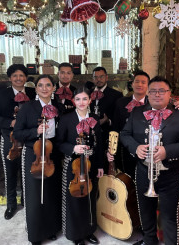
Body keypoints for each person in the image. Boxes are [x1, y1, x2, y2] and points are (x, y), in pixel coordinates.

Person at [120, 76, 179, 245]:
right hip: (143, 172)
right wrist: (136, 147)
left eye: (162, 91)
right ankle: (150, 241)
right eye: (153, 91)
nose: (157, 94)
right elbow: (124, 135)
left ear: (170, 94)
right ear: (148, 93)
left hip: (171, 175)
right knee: (146, 214)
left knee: (169, 216)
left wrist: (167, 151)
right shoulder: (136, 112)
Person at [13, 74, 63, 245]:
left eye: (48, 85)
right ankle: (35, 233)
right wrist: (35, 131)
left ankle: (51, 229)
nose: (44, 88)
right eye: (40, 85)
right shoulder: (27, 108)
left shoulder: (58, 107)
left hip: (53, 154)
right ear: (35, 89)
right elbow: (18, 133)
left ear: (53, 88)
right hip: (33, 155)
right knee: (35, 195)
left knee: (51, 193)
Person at [109, 71, 179, 179]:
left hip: (149, 153)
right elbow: (115, 128)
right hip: (126, 150)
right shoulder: (120, 102)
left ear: (148, 87)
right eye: (137, 82)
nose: (139, 85)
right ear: (132, 84)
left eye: (143, 82)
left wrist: (177, 103)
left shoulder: (154, 102)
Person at [56, 87, 104, 245]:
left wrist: (99, 166)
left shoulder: (95, 119)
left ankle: (89, 231)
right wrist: (72, 148)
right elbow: (58, 143)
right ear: (73, 101)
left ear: (90, 100)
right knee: (74, 201)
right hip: (73, 166)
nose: (81, 102)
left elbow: (100, 144)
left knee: (90, 199)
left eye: (85, 99)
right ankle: (76, 234)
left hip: (90, 166)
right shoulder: (66, 119)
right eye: (78, 99)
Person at [0, 64, 36, 220]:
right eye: (15, 76)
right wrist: (11, 123)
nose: (18, 78)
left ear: (26, 78)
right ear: (10, 78)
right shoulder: (1, 95)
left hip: (29, 139)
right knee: (10, 172)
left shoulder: (32, 92)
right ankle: (11, 205)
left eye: (21, 75)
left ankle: (26, 200)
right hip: (9, 139)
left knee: (27, 171)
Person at [90, 66, 122, 148]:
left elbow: (118, 117)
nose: (98, 79)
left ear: (106, 77)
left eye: (101, 77)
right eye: (95, 77)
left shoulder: (116, 95)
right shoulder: (87, 94)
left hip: (107, 134)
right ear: (93, 79)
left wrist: (108, 120)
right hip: (90, 134)